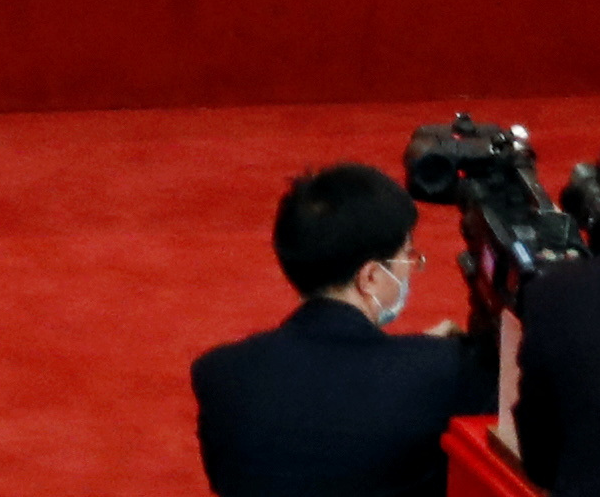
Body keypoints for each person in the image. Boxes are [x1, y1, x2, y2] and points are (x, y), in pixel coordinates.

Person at [188, 160, 492, 497]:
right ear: (371, 277)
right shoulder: (446, 373)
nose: (411, 269)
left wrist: (417, 357)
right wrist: (429, 358)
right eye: (408, 256)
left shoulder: (220, 374)